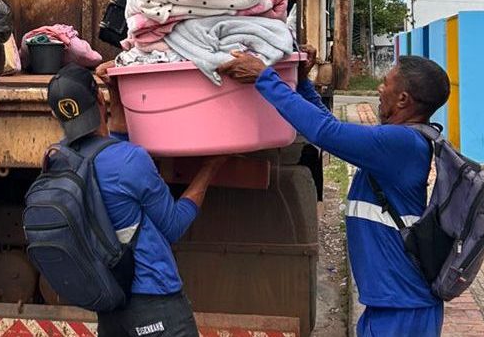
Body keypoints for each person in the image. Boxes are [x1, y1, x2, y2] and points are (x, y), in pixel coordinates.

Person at [217, 49, 450, 337]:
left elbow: (325, 131)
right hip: (391, 304)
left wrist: (266, 78)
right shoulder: (399, 141)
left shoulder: (401, 143)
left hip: (403, 311)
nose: (379, 88)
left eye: (386, 83)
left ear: (403, 99)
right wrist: (302, 83)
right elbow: (331, 127)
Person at [47, 62, 225, 337]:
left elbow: (110, 142)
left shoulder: (56, 160)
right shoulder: (130, 160)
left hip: (109, 303)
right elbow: (174, 226)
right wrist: (210, 168)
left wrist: (116, 93)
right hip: (154, 299)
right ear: (97, 99)